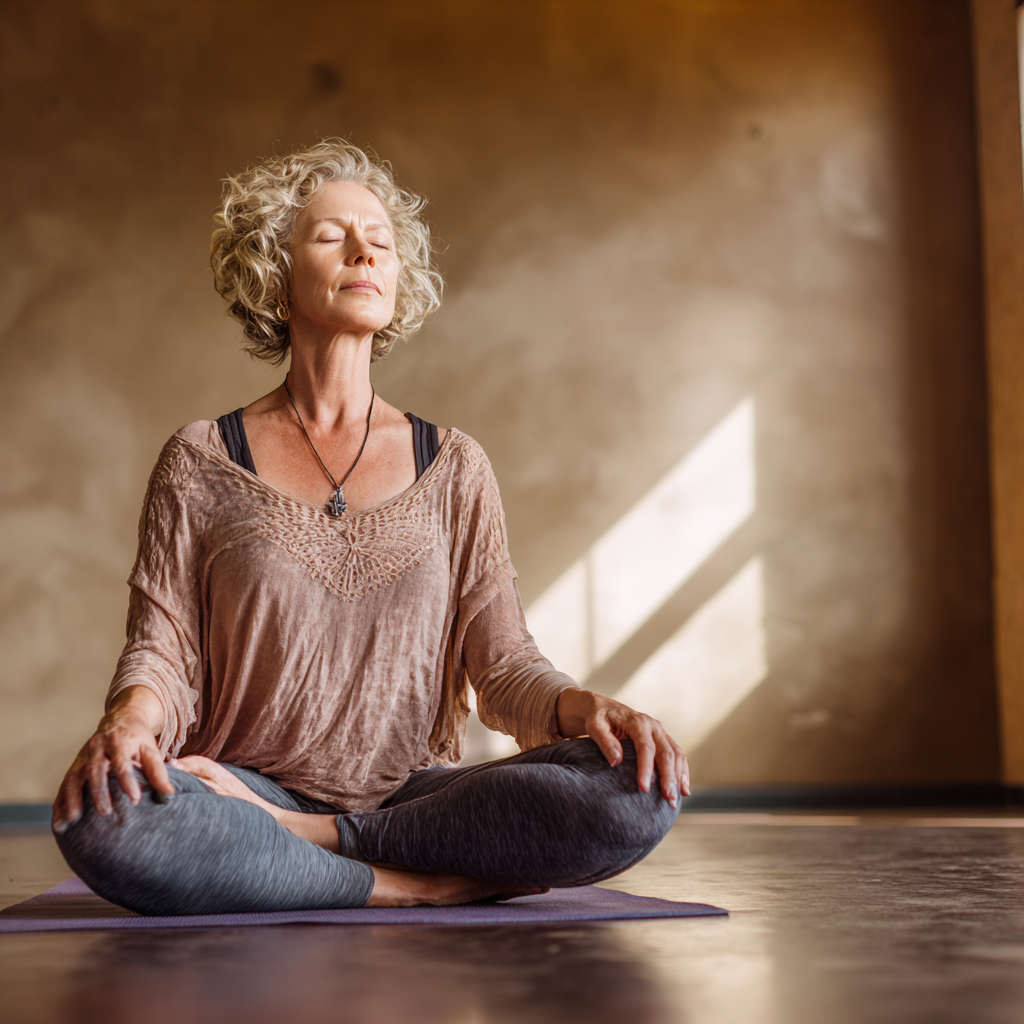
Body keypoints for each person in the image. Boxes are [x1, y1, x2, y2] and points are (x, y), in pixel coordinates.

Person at [50, 139, 690, 914]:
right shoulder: (200, 459)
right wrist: (127, 724)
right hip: (240, 785)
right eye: (331, 236)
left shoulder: (455, 465)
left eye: (381, 241)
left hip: (413, 798)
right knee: (105, 813)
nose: (365, 251)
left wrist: (589, 709)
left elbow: (506, 666)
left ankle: (315, 845)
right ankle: (403, 887)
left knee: (631, 792)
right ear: (275, 277)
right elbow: (163, 652)